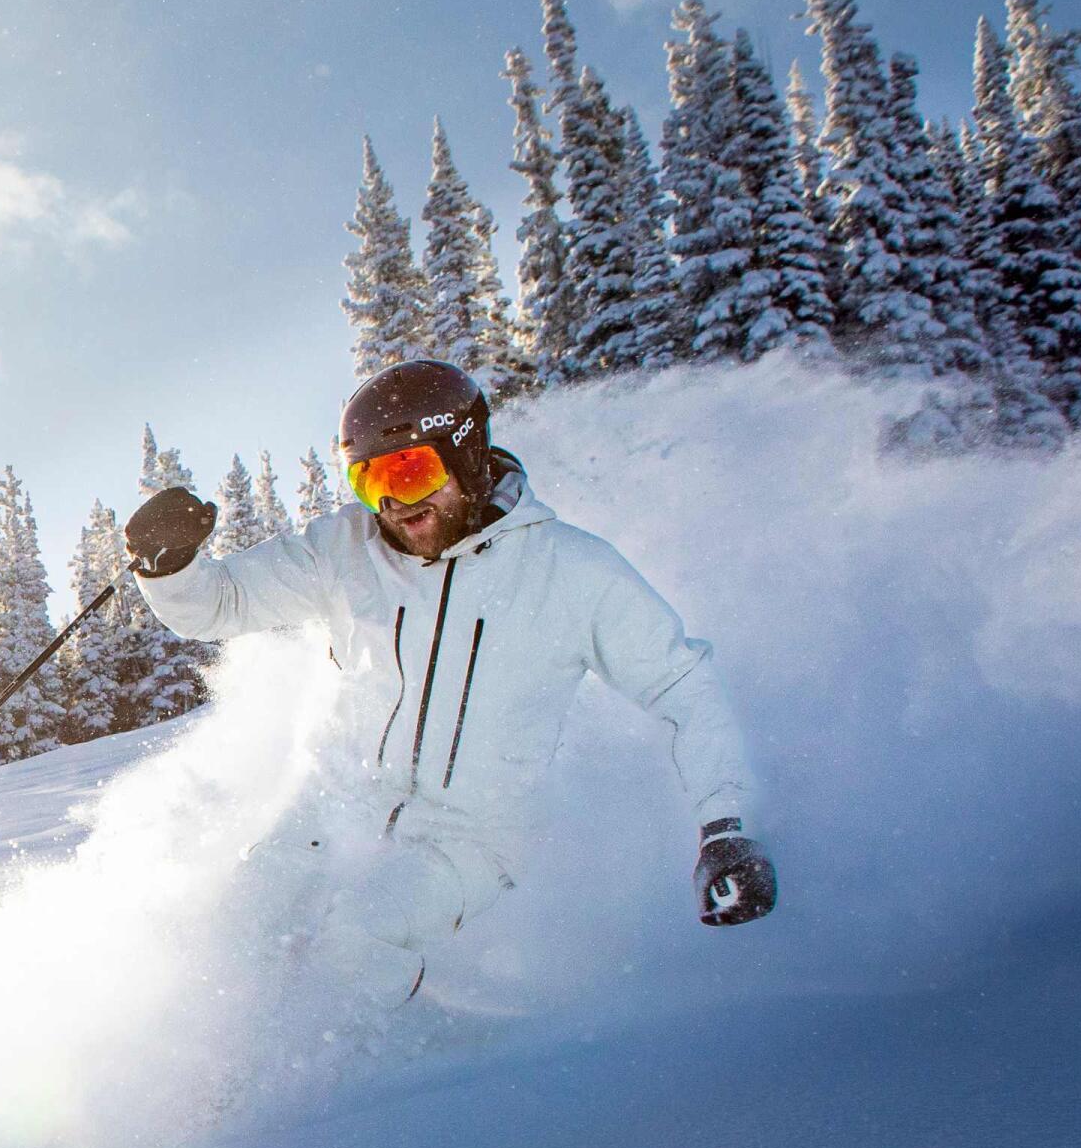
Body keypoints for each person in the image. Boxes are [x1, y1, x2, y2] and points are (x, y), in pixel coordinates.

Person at [123, 358, 774, 999]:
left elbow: (680, 685)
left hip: (466, 835)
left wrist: (724, 827)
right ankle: (227, 1087)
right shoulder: (345, 551)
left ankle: (419, 1073)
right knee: (237, 927)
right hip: (332, 802)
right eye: (370, 480)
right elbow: (221, 603)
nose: (393, 503)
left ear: (466, 456)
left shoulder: (569, 572)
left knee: (354, 941)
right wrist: (168, 566)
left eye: (411, 472)